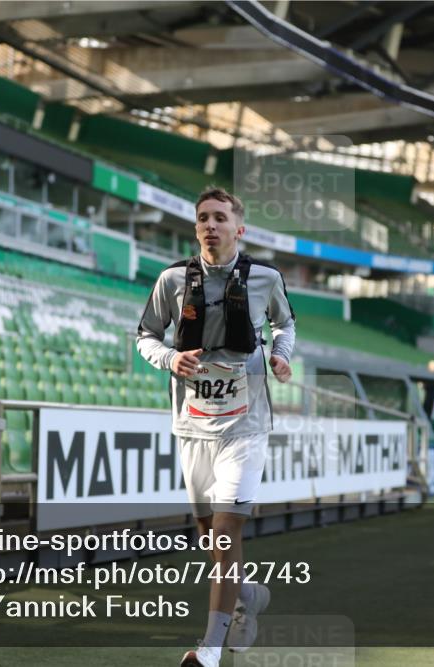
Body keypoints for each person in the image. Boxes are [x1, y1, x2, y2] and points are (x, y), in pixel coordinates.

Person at [136, 186, 296, 667]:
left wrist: (280, 355)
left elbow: (285, 325)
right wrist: (169, 358)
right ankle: (247, 594)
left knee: (226, 532)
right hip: (192, 425)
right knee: (210, 537)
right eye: (203, 218)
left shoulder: (265, 277)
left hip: (246, 427)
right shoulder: (171, 280)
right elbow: (145, 336)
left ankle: (209, 650)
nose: (210, 225)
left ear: (238, 229)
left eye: (220, 218)